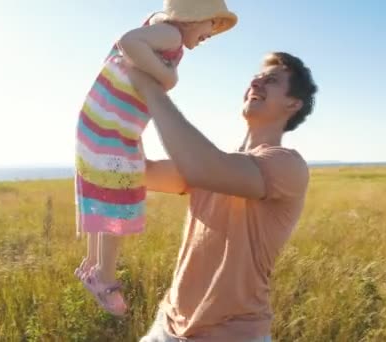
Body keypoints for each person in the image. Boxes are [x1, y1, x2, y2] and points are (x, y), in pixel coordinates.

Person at [130, 52, 318, 341]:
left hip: (231, 332)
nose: (256, 81)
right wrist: (124, 104)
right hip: (168, 324)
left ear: (293, 104)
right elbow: (143, 171)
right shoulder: (216, 165)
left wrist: (152, 90)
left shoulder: (288, 165)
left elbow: (204, 165)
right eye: (257, 76)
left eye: (271, 80)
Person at [74, 0, 238, 316]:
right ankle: (104, 277)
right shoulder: (171, 35)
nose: (212, 32)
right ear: (193, 17)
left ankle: (94, 265)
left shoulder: (160, 30)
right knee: (118, 199)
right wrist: (168, 76)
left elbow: (130, 55)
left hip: (100, 123)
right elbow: (127, 41)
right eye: (211, 23)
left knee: (105, 191)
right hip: (111, 128)